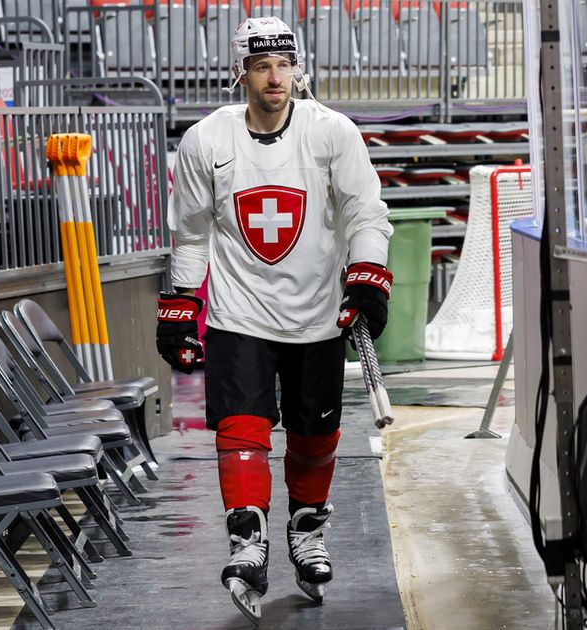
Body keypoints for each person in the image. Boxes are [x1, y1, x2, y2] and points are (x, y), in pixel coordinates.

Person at [155, 16, 393, 622]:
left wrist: (367, 277)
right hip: (239, 315)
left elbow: (367, 212)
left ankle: (306, 529)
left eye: (284, 64)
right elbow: (190, 234)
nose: (275, 77)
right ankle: (247, 540)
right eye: (262, 66)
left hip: (316, 315)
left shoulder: (331, 133)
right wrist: (182, 309)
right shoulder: (206, 141)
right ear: (242, 72)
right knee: (241, 430)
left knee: (315, 439)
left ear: (297, 67)